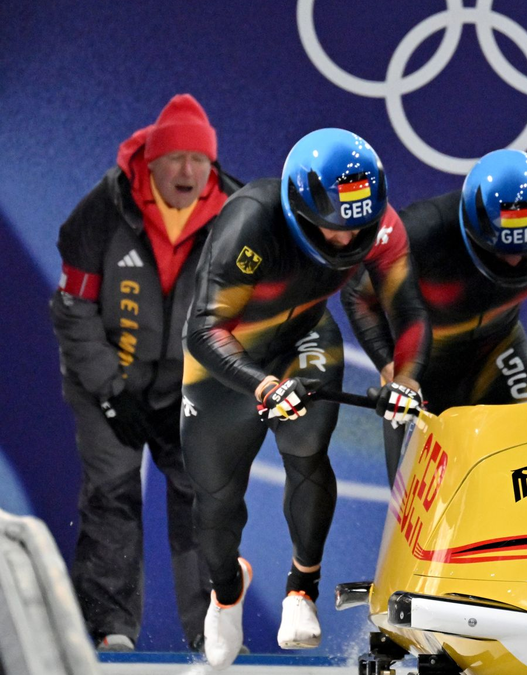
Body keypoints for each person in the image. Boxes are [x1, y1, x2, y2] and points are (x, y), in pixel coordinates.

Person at [182, 128, 429, 669]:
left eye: (356, 226)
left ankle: (302, 589)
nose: (345, 241)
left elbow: (408, 312)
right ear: (299, 207)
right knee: (217, 499)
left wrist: (405, 377)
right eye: (330, 227)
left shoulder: (381, 224)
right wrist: (263, 386)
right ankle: (226, 592)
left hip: (305, 338)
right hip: (226, 357)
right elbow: (203, 330)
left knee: (307, 444)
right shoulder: (250, 221)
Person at [50, 94, 240, 652]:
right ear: (151, 163)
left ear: (212, 167)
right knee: (112, 496)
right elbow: (72, 309)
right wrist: (111, 391)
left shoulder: (236, 215)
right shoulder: (100, 212)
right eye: (175, 158)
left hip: (193, 389)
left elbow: (252, 311)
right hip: (106, 381)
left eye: (198, 160)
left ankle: (211, 634)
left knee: (204, 500)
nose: (186, 171)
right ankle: (109, 631)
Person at [342, 149, 527, 479]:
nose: (515, 261)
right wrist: (390, 367)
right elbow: (358, 297)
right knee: (422, 491)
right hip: (419, 366)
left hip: (498, 350)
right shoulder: (421, 231)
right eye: (502, 247)